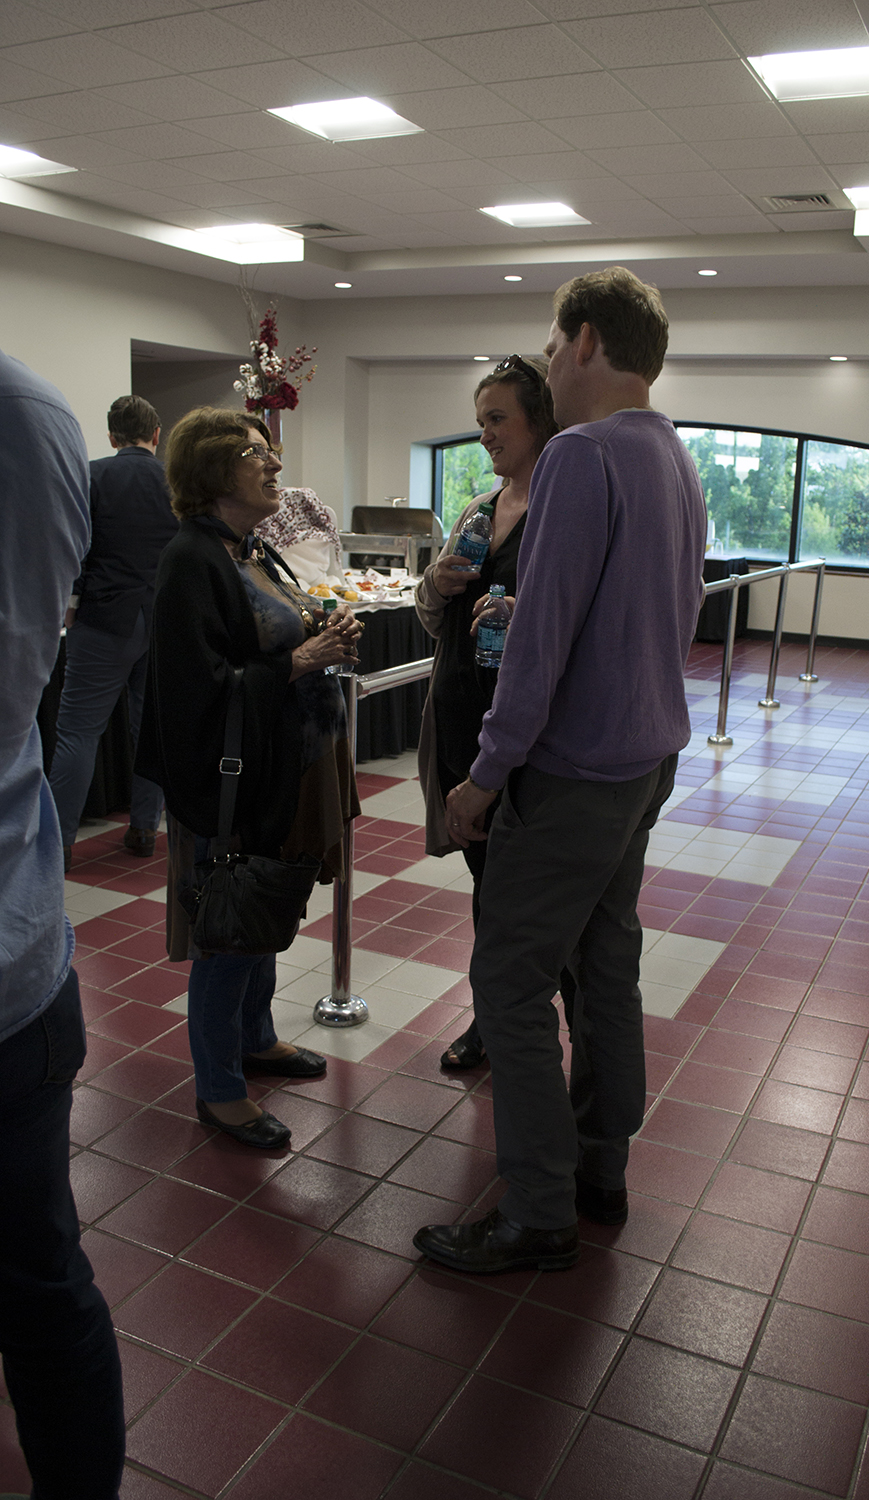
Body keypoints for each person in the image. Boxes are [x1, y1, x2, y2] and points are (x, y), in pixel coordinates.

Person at [414, 267, 707, 1273]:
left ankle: (536, 1209)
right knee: (606, 964)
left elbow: (536, 646)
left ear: (585, 341)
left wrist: (483, 778)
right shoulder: (674, 455)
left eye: (550, 342)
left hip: (574, 772)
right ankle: (598, 1165)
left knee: (508, 977)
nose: (546, 358)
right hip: (643, 762)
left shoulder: (582, 457)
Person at [135, 408, 362, 1149]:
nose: (273, 464)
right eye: (253, 454)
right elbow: (195, 689)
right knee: (229, 926)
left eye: (271, 451)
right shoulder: (191, 561)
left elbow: (276, 631)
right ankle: (219, 1089)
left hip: (279, 764)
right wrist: (301, 660)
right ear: (211, 474)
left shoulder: (249, 547)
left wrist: (324, 632)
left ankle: (256, 1037)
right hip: (228, 779)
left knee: (265, 901)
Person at [0, 346, 126, 1496]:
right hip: (20, 955)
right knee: (39, 1277)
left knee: (37, 1280)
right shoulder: (38, 414)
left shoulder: (26, 414)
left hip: (13, 974)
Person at [415, 355, 559, 1070]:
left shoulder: (561, 512)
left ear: (538, 419)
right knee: (483, 883)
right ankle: (490, 1016)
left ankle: (515, 1020)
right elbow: (429, 616)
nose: (486, 437)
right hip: (459, 726)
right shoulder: (478, 510)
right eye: (480, 423)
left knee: (516, 896)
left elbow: (579, 626)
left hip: (524, 740)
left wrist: (521, 612)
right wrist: (437, 584)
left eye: (498, 419)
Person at [48, 394, 178, 871]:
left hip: (105, 620)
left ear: (111, 436)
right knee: (152, 732)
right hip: (161, 621)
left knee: (78, 733)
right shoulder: (174, 481)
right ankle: (145, 829)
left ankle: (58, 842)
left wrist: (72, 603)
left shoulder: (93, 475)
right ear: (157, 433)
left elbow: (75, 546)